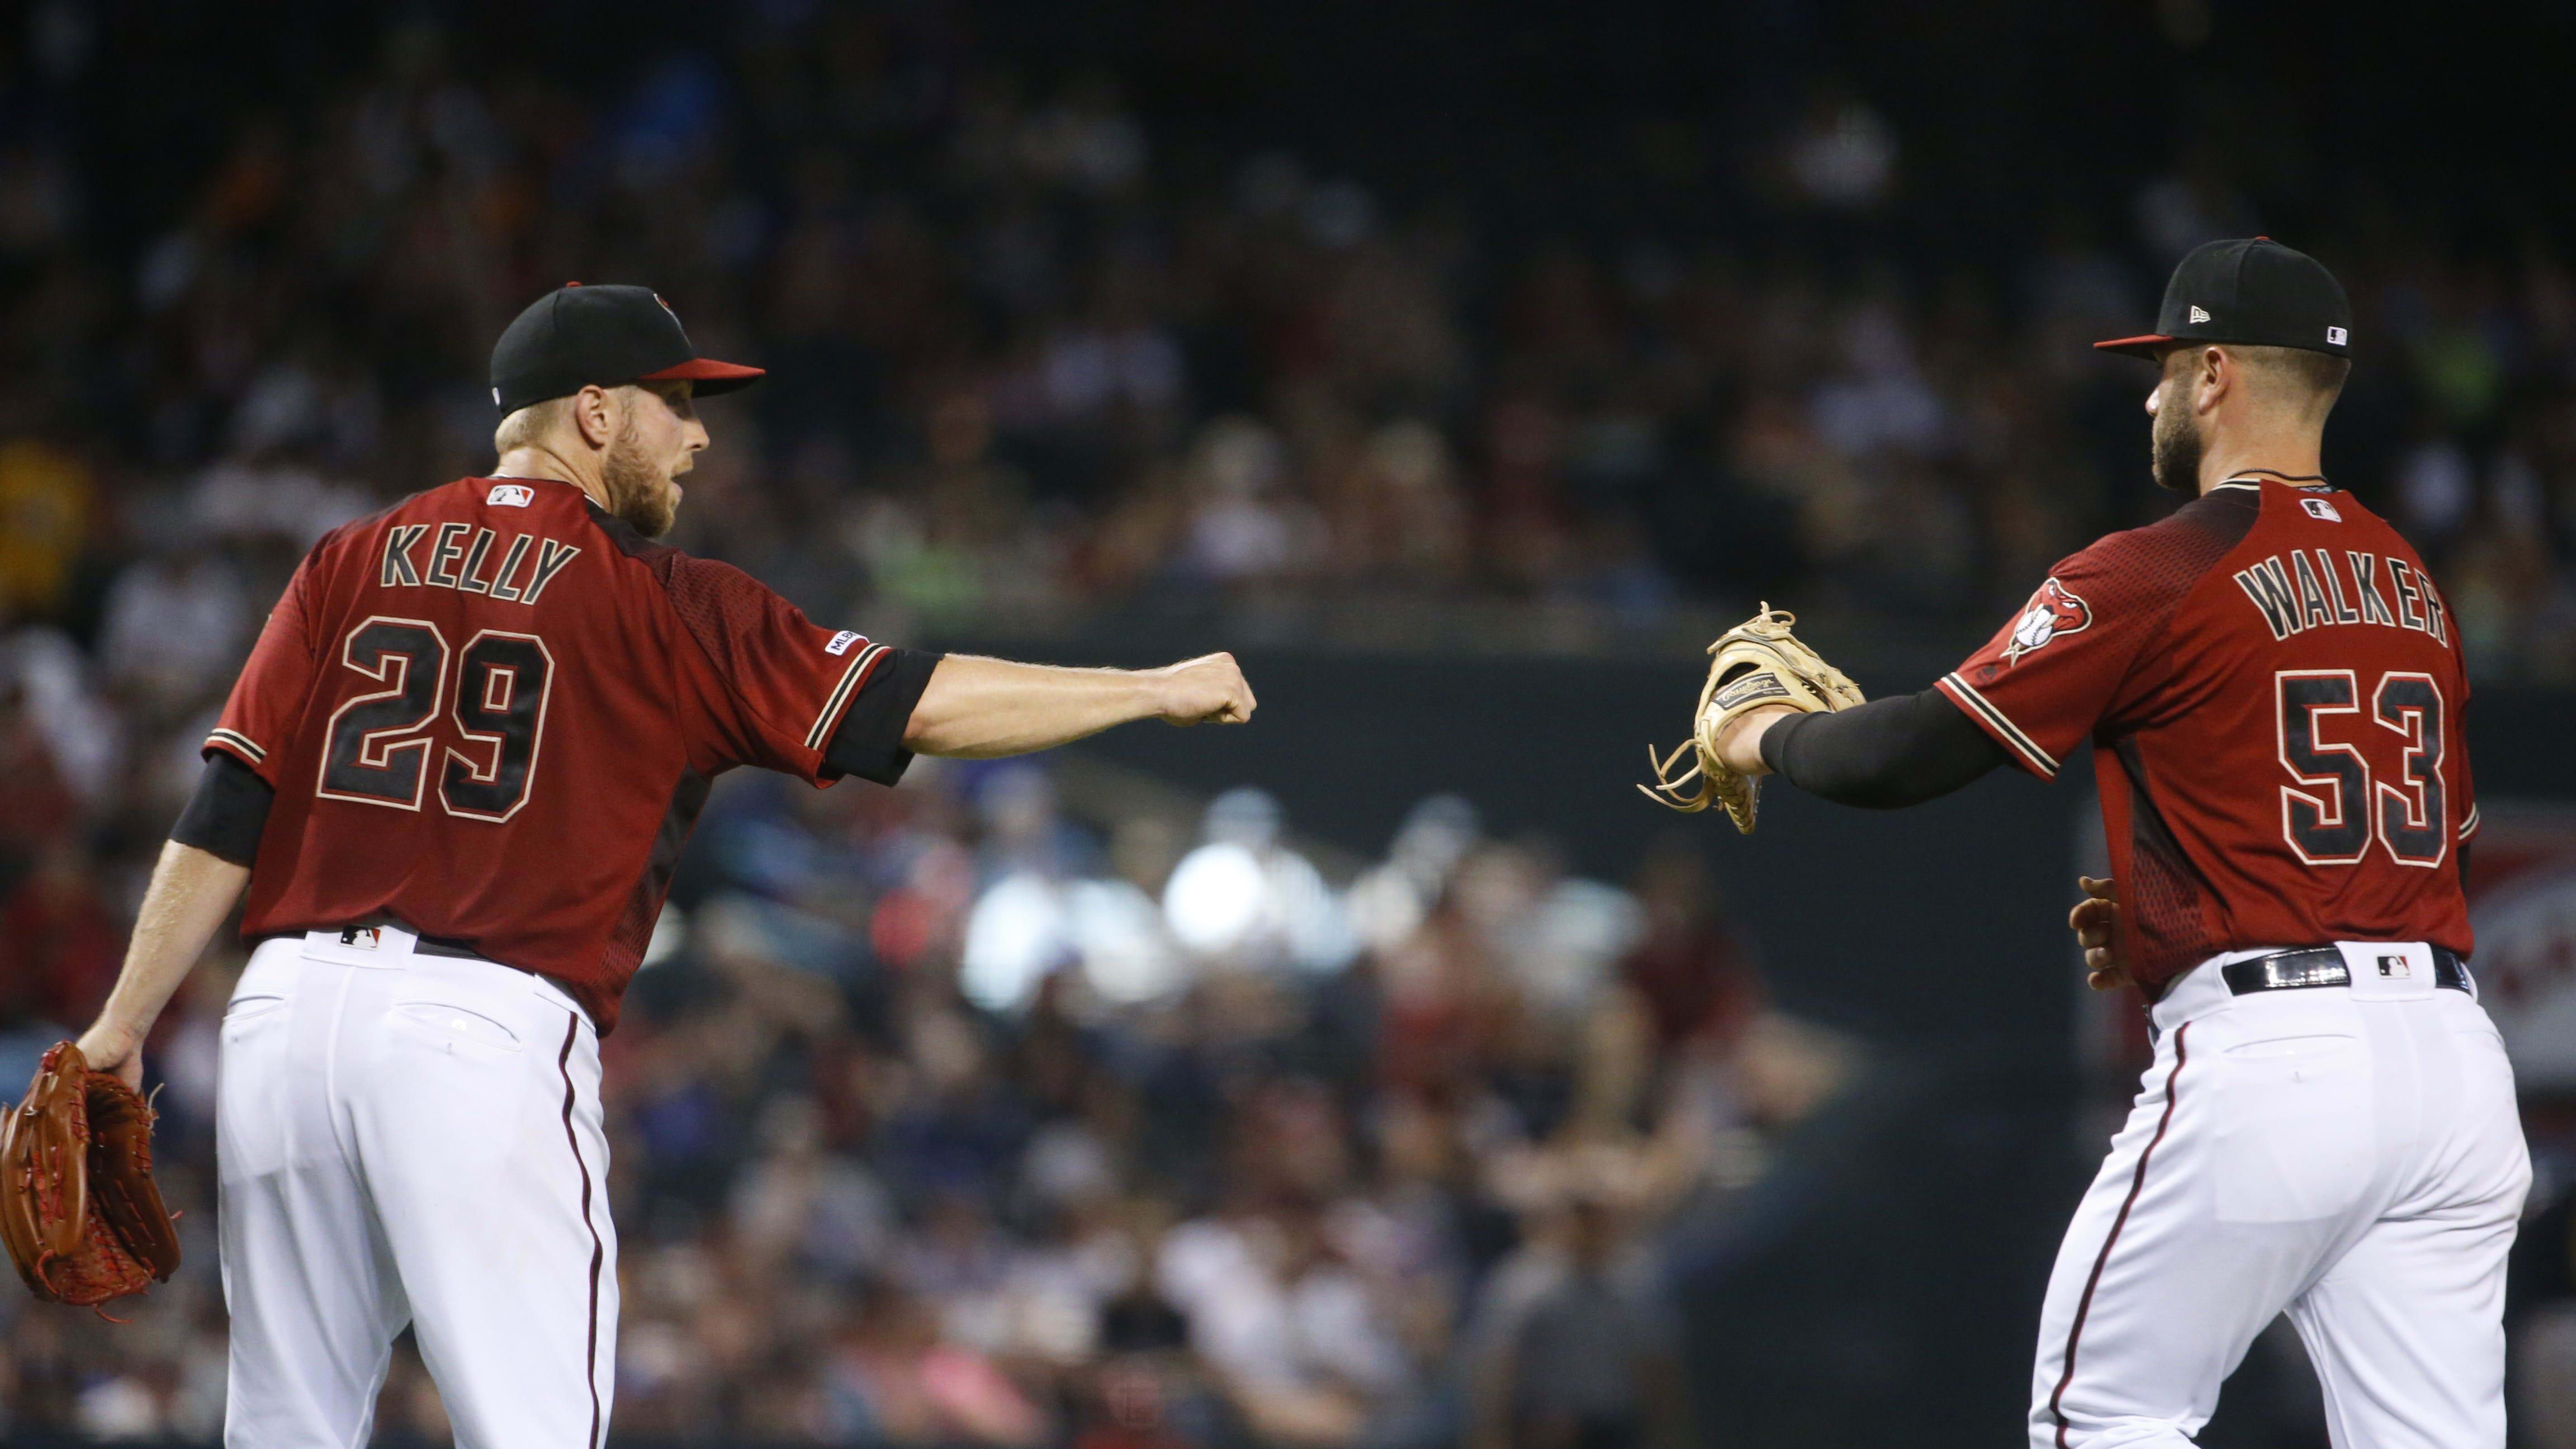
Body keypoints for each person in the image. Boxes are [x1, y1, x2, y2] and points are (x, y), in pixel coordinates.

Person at [72, 283, 1256, 1449]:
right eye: (675, 402)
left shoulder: (349, 558)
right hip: (476, 1027)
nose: (696, 436)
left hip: (279, 1021)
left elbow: (230, 801)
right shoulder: (665, 601)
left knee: (286, 1428)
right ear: (593, 412)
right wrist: (1145, 689)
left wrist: (121, 1024)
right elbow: (915, 702)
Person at [1708, 239, 2527, 1447]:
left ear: (2211, 376)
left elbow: (1905, 757)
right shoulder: (2412, 581)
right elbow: (2413, 851)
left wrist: (1757, 735)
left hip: (2280, 1064)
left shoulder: (2162, 565)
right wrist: (2168, 910)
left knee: (2104, 1411)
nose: (2147, 395)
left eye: (2160, 368)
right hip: (2456, 1069)